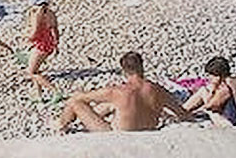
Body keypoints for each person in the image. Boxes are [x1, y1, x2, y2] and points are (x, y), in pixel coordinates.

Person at [55, 52, 190, 133]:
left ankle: (61, 126)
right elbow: (182, 113)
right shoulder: (158, 90)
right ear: (142, 67)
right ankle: (68, 123)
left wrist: (77, 96)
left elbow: (81, 98)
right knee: (111, 105)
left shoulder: (116, 91)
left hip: (117, 136)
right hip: (149, 132)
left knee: (75, 102)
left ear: (124, 71)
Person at [183, 56, 236, 127]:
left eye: (210, 76)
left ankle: (182, 112)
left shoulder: (227, 85)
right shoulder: (235, 81)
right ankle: (182, 111)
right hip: (235, 116)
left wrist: (197, 111)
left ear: (218, 76)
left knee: (209, 109)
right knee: (204, 90)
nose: (209, 79)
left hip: (231, 121)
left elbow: (212, 105)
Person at [25, 0, 60, 101]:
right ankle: (38, 95)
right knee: (36, 69)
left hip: (41, 45)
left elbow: (35, 33)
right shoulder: (50, 13)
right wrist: (56, 44)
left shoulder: (36, 14)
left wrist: (27, 38)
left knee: (31, 72)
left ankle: (55, 91)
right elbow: (55, 30)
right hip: (49, 43)